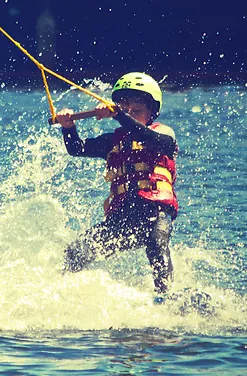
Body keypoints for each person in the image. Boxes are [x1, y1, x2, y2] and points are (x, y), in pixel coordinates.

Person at [56, 72, 178, 294]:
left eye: (137, 111)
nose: (130, 114)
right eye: (125, 109)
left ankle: (167, 298)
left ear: (152, 111)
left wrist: (120, 115)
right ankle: (60, 293)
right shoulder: (111, 141)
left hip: (155, 213)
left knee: (156, 244)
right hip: (123, 218)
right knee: (76, 251)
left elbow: (150, 139)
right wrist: (68, 127)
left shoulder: (162, 134)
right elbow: (77, 149)